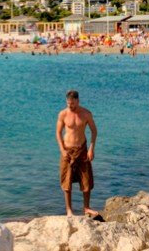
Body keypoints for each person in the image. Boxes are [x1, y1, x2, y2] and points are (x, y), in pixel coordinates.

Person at [56, 89, 99, 217]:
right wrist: (62, 150)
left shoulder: (86, 114)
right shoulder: (63, 114)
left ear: (78, 101)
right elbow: (58, 132)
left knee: (86, 180)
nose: (71, 106)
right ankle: (69, 210)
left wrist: (91, 148)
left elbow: (94, 131)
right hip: (67, 150)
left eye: (73, 104)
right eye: (69, 104)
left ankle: (86, 208)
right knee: (66, 180)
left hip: (82, 150)